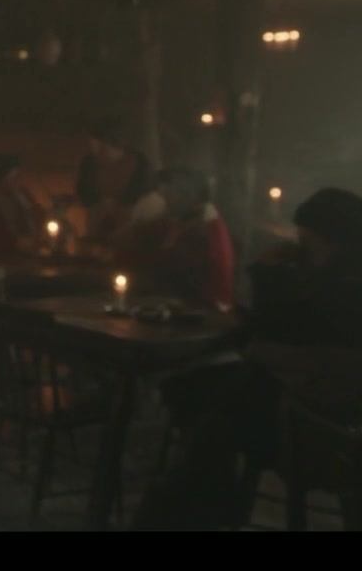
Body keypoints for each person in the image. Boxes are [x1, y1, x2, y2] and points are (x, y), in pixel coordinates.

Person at [135, 188, 362, 530]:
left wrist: (267, 275)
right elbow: (276, 330)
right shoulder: (331, 281)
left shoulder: (346, 289)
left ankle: (197, 504)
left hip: (321, 430)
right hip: (297, 404)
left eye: (308, 243)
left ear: (336, 242)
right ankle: (205, 499)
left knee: (217, 403)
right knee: (203, 393)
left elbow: (287, 339)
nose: (303, 251)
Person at [115, 167, 234, 310]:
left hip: (205, 311)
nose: (165, 200)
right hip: (184, 303)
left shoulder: (202, 230)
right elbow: (154, 231)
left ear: (189, 195)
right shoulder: (189, 216)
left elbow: (172, 278)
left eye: (171, 194)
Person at [75, 121, 153, 244]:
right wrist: (100, 202)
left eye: (102, 148)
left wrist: (122, 204)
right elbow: (83, 190)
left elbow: (145, 191)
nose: (97, 152)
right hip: (99, 211)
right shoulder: (89, 164)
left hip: (130, 211)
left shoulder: (139, 164)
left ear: (115, 145)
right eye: (94, 147)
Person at [0, 154, 47, 263]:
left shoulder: (23, 199)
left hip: (25, 260)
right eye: (13, 177)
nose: (18, 181)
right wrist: (21, 243)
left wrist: (38, 221)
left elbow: (35, 230)